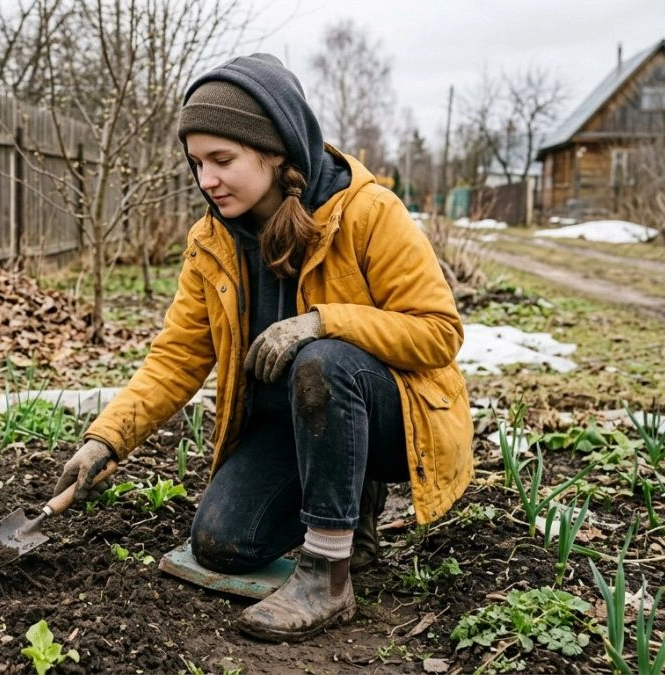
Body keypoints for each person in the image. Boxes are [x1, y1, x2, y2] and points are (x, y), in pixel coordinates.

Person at [52, 53, 474, 643]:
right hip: (292, 424)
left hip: (389, 420)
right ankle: (347, 506)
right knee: (222, 543)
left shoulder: (368, 212)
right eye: (197, 163)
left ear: (276, 153)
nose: (207, 180)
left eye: (222, 161)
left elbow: (438, 331)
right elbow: (177, 356)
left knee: (321, 360)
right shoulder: (212, 240)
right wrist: (107, 437)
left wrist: (322, 322)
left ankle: (328, 573)